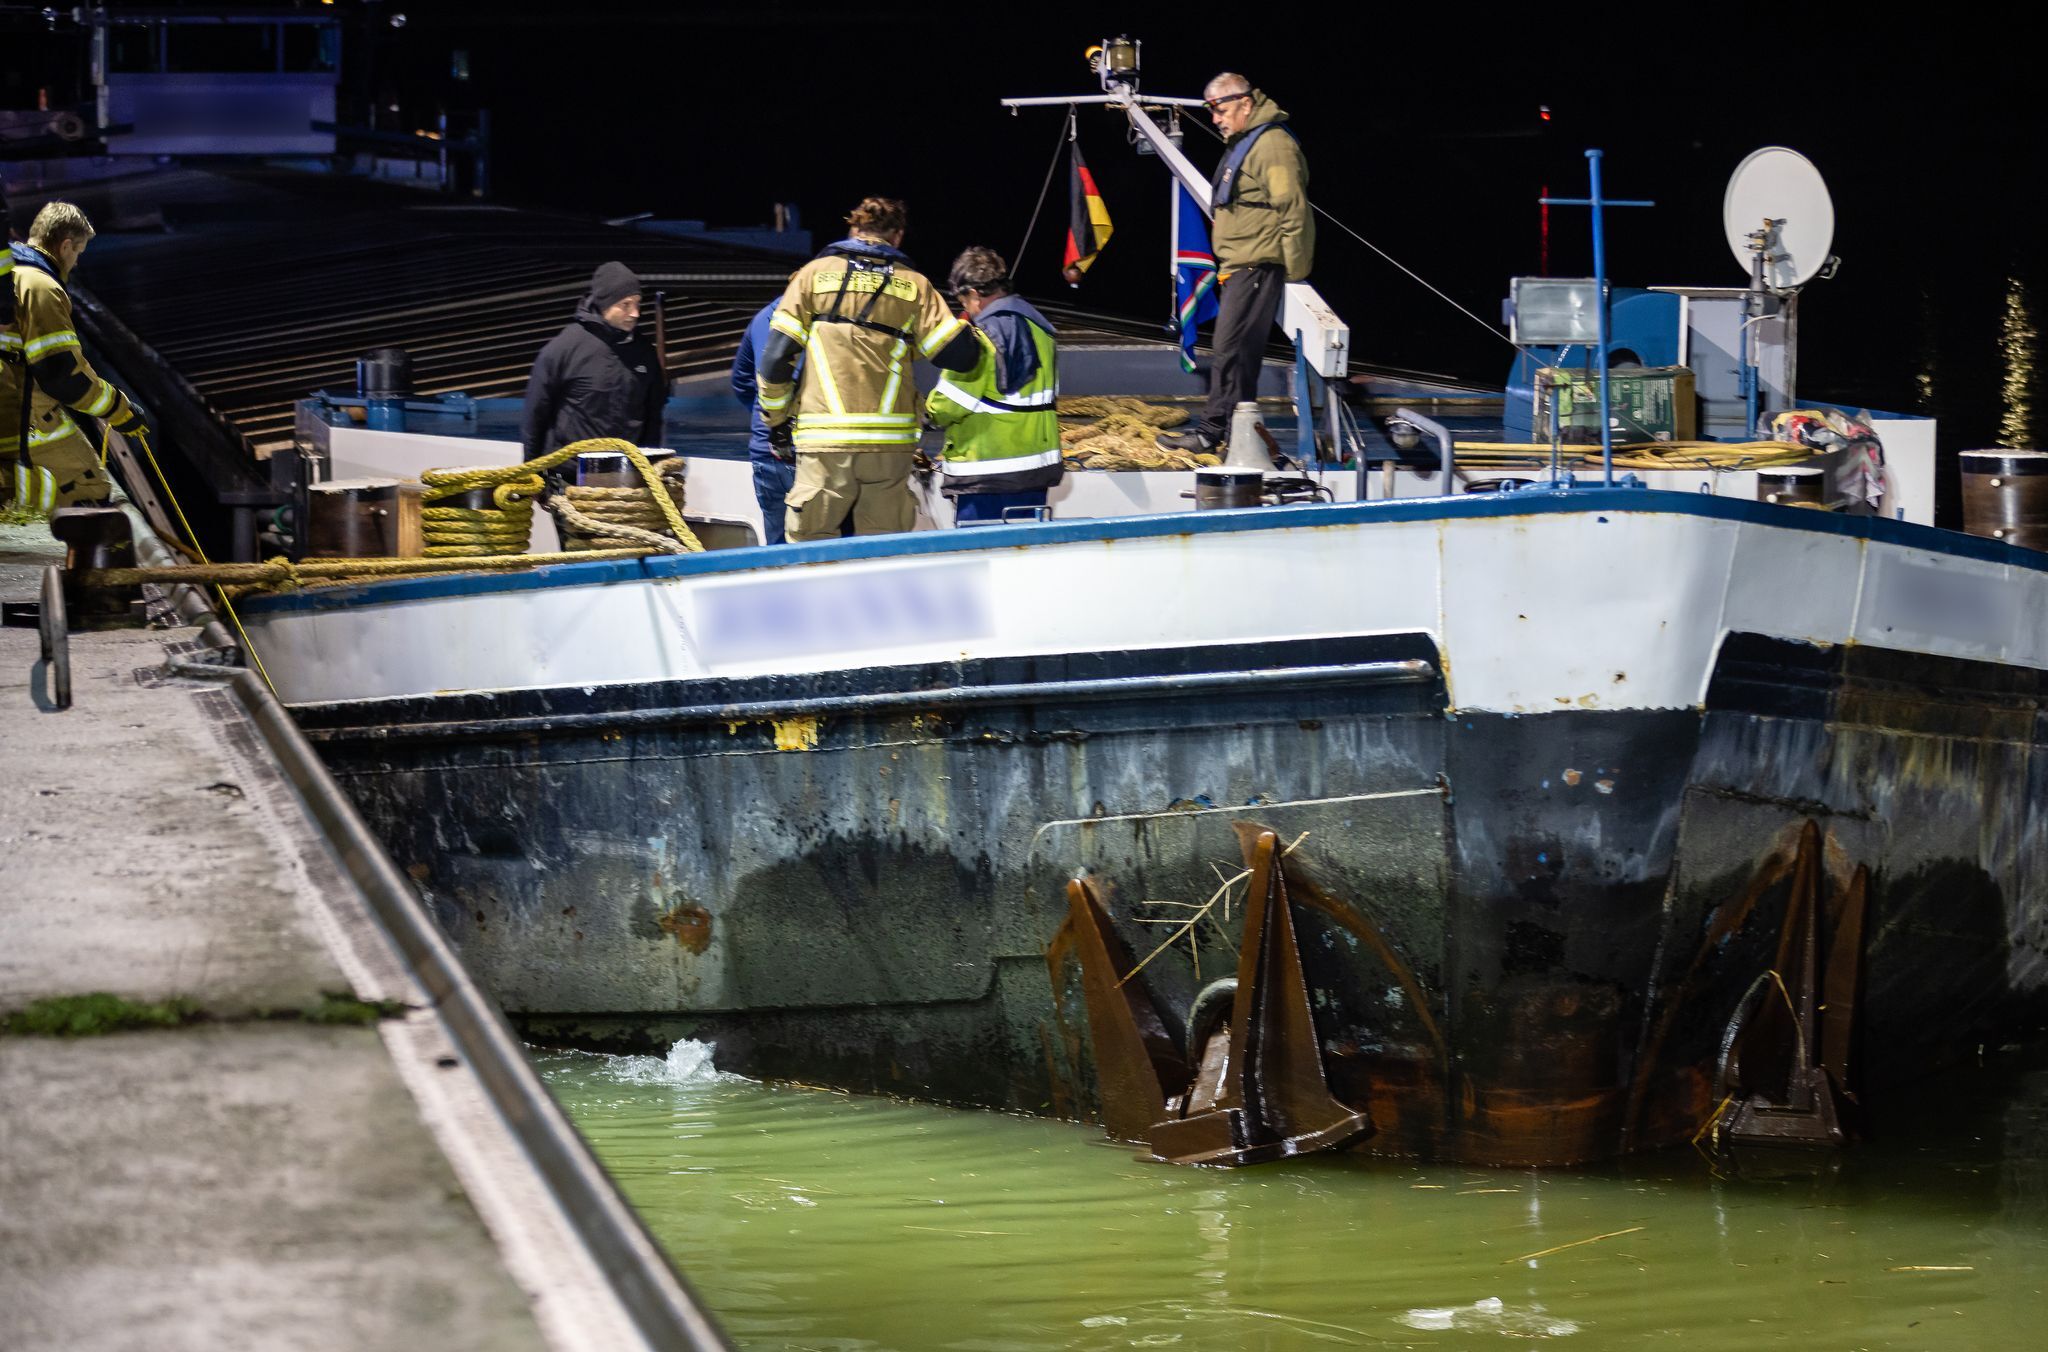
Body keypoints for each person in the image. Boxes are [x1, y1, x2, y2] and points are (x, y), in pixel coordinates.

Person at [755, 197, 980, 542]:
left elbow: (775, 360)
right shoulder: (915, 285)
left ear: (853, 227)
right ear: (898, 236)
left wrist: (777, 420)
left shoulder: (812, 277)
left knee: (810, 549)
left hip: (824, 443)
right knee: (882, 548)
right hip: (889, 448)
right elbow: (960, 357)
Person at [1156, 72, 1313, 456]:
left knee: (1229, 349)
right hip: (1241, 265)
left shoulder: (1271, 145)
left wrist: (1293, 272)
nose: (1215, 118)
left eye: (1220, 109)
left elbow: (1292, 210)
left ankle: (1210, 431)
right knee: (1237, 355)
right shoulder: (1247, 141)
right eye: (1211, 111)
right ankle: (1238, 431)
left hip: (1258, 264)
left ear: (1245, 103)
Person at [0, 201, 150, 514]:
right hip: (21, 417)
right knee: (90, 488)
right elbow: (62, 376)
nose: (77, 263)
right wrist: (120, 411)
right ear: (65, 245)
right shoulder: (42, 287)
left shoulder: (12, 272)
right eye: (78, 252)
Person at [925, 247, 1061, 523]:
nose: (965, 309)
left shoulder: (980, 338)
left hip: (985, 476)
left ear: (974, 294)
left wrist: (925, 410)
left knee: (983, 559)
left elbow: (946, 407)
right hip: (1036, 473)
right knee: (1024, 554)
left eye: (963, 300)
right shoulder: (1043, 332)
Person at [521, 260, 665, 460]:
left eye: (637, 303)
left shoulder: (644, 352)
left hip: (625, 477)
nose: (635, 313)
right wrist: (530, 473)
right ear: (605, 304)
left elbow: (653, 416)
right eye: (625, 305)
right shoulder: (564, 349)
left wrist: (650, 467)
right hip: (569, 476)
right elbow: (535, 416)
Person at [730, 297, 798, 544]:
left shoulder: (761, 318)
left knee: (778, 550)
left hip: (764, 453)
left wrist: (764, 417)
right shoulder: (815, 322)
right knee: (818, 550)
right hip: (804, 456)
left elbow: (740, 381)